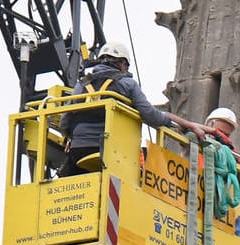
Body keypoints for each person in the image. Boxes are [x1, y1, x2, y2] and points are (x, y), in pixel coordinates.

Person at [62, 41, 204, 174]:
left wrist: (75, 137)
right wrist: (174, 123)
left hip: (78, 151)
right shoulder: (128, 83)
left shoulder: (81, 85)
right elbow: (151, 116)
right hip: (114, 151)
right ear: (122, 63)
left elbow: (64, 121)